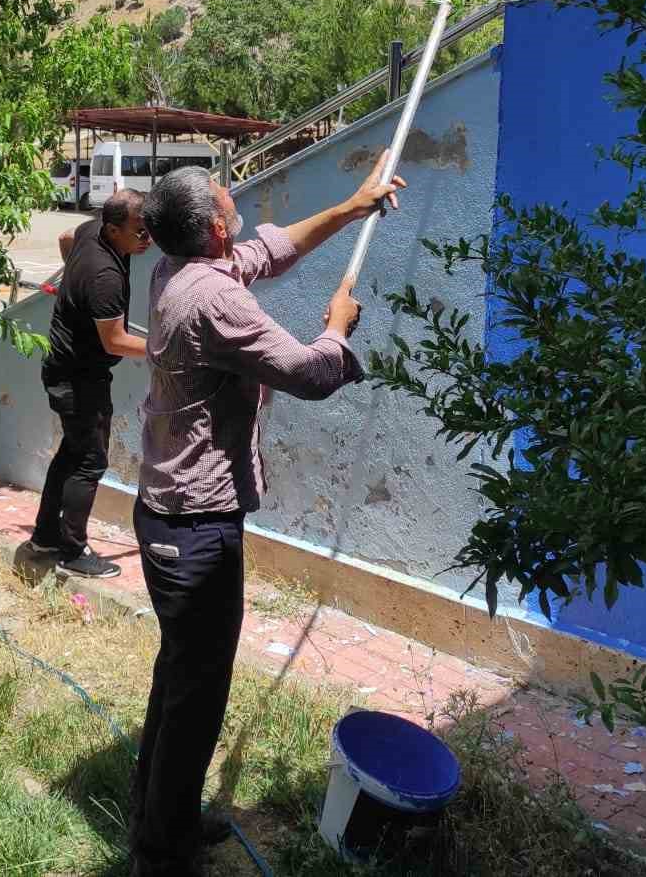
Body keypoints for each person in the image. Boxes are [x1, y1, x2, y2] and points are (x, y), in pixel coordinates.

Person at [128, 155, 404, 876]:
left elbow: (269, 249)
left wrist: (352, 206)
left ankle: (164, 817)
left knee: (179, 676)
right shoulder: (215, 302)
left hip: (167, 513)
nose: (234, 193)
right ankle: (161, 854)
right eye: (226, 192)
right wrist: (338, 330)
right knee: (197, 690)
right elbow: (309, 372)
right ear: (215, 225)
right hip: (195, 527)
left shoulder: (180, 270)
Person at [29, 189, 153, 577]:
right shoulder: (105, 278)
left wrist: (73, 286)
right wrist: (165, 349)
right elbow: (114, 340)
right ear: (113, 229)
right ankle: (72, 550)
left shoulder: (90, 231)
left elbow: (65, 238)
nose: (147, 238)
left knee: (71, 454)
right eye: (140, 232)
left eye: (150, 229)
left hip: (69, 369)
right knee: (90, 460)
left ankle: (45, 536)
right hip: (80, 378)